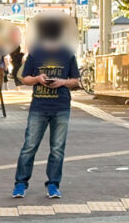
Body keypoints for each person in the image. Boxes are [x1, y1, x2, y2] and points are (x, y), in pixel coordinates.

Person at [12, 17, 80, 200]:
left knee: (57, 148)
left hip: (61, 107)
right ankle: (20, 183)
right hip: (39, 107)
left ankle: (53, 185)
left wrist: (62, 82)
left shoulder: (67, 54)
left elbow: (76, 81)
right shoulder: (36, 53)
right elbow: (24, 78)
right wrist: (38, 79)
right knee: (29, 146)